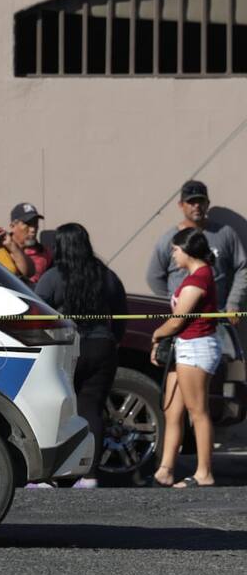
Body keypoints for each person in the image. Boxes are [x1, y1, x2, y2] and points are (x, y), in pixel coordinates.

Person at [34, 223, 127, 488]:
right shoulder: (106, 275)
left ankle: (51, 475)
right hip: (101, 346)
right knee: (92, 409)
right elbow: (121, 313)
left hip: (66, 347)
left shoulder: (52, 277)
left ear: (60, 247)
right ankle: (90, 475)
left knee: (58, 409)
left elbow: (37, 311)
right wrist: (113, 340)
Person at [151, 229, 220, 488]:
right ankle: (165, 470)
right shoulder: (194, 277)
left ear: (187, 251)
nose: (173, 255)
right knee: (172, 410)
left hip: (197, 347)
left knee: (197, 411)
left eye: (175, 250)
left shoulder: (198, 279)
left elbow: (177, 320)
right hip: (185, 347)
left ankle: (204, 473)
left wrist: (156, 335)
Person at [146, 180, 246, 315]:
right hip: (183, 320)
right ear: (181, 205)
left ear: (207, 204)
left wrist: (233, 303)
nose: (197, 206)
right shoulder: (170, 239)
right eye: (191, 202)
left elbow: (242, 268)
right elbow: (154, 276)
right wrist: (173, 302)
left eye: (201, 201)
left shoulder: (225, 234)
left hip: (217, 317)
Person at [9, 202, 52, 283]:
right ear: (12, 226)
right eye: (28, 224)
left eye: (35, 223)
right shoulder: (1, 250)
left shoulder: (44, 253)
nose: (33, 229)